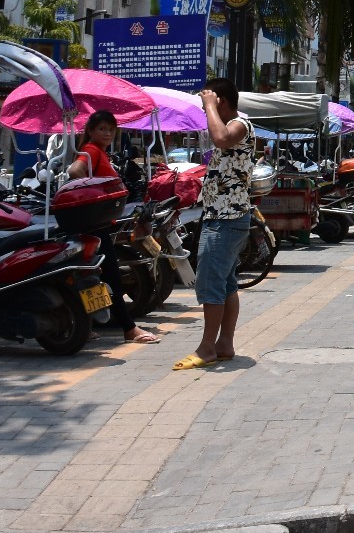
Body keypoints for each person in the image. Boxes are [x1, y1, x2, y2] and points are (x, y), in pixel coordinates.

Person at [174, 79, 252, 371]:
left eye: (210, 102)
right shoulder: (233, 126)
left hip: (227, 219)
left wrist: (209, 105)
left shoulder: (241, 125)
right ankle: (224, 344)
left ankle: (207, 347)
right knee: (227, 284)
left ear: (220, 101)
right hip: (224, 216)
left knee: (210, 282)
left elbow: (221, 138)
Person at [72, 112, 158, 345]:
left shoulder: (99, 152)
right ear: (90, 130)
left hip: (99, 224)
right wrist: (93, 195)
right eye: (102, 129)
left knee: (93, 276)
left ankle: (83, 325)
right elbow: (75, 172)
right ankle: (129, 329)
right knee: (110, 276)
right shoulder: (91, 150)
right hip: (95, 226)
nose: (108, 133)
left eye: (111, 129)